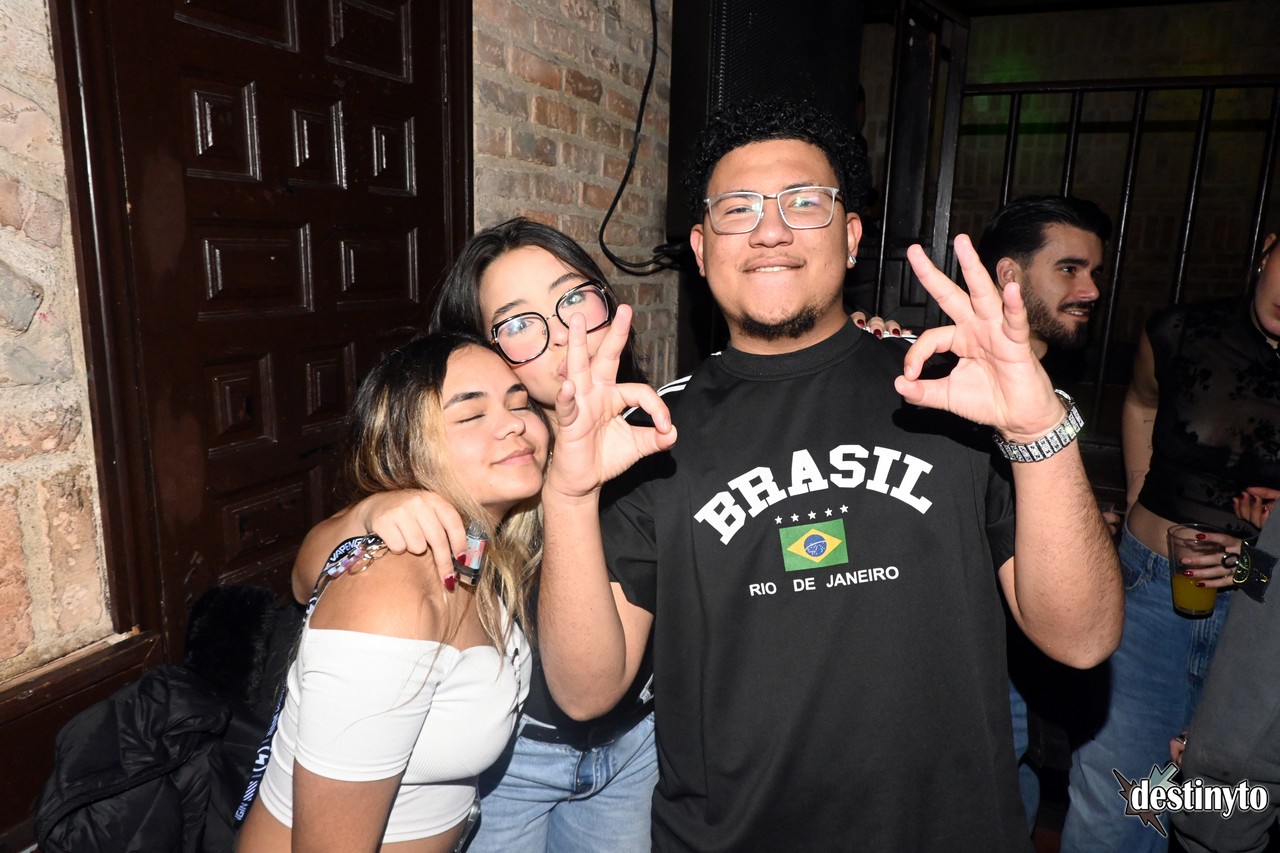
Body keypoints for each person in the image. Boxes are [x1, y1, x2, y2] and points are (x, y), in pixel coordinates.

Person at [536, 98, 1123, 851]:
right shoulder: (650, 434)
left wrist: (1039, 432)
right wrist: (568, 493)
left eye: (803, 202)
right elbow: (586, 692)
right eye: (738, 209)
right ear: (701, 249)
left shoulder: (953, 395)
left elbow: (1082, 639)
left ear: (850, 237)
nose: (770, 230)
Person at [287, 219, 664, 853]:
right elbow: (307, 582)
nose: (562, 331)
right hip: (505, 758)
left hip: (635, 742)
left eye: (574, 297)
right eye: (517, 323)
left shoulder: (654, 431)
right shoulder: (481, 454)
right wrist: (369, 515)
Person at [236, 331, 548, 852]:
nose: (514, 423)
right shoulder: (392, 594)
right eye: (472, 414)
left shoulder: (475, 549)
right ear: (408, 446)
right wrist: (367, 511)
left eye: (520, 403)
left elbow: (307, 573)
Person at [1061, 224, 1280, 852]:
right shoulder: (1180, 332)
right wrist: (1138, 497)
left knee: (1218, 807)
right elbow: (1141, 403)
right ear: (1267, 248)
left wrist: (1270, 545)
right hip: (1152, 586)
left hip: (1261, 608)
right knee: (1120, 798)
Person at [975, 195, 1114, 832]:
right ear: (1009, 274)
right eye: (1069, 269)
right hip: (962, 659)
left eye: (1095, 273)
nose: (1090, 290)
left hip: (1028, 653)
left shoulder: (1056, 391)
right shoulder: (937, 372)